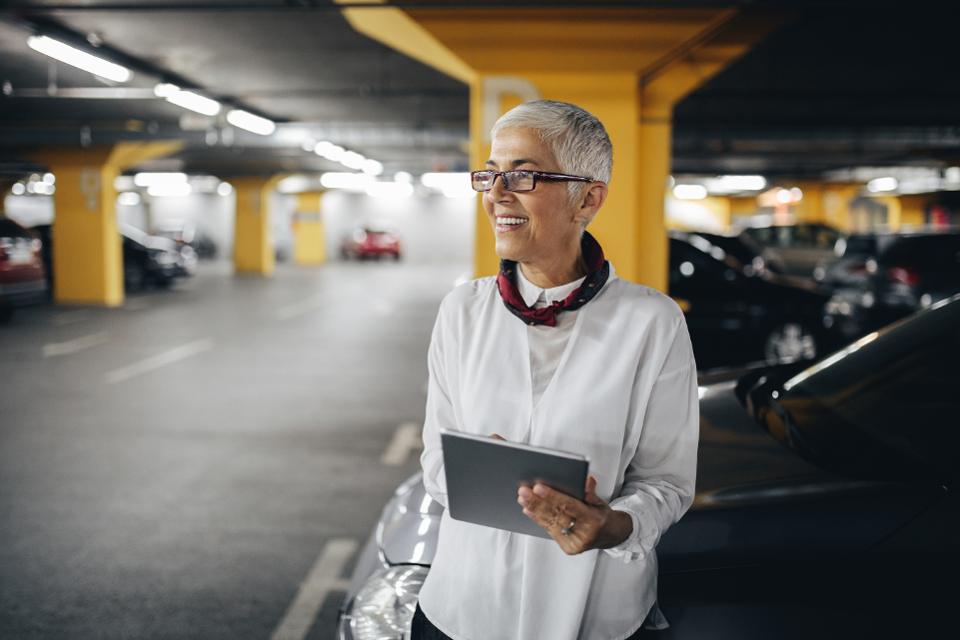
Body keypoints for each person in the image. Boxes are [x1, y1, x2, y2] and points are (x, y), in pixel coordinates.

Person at [414, 100, 699, 640]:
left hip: (594, 616)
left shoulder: (651, 322)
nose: (497, 193)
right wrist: (486, 477)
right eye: (491, 174)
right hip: (463, 611)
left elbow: (667, 481)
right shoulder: (462, 312)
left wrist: (615, 526)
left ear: (587, 198)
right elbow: (436, 461)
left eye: (522, 175)